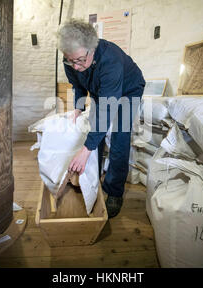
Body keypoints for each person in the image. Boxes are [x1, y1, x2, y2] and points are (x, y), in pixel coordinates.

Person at [57, 19, 145, 218]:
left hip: (128, 90)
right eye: (70, 60)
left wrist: (86, 149)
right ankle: (92, 176)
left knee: (119, 137)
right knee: (92, 129)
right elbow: (78, 84)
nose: (75, 66)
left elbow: (107, 111)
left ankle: (114, 191)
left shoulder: (110, 60)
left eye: (79, 60)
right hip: (102, 90)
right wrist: (78, 108)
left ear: (92, 48)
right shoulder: (71, 59)